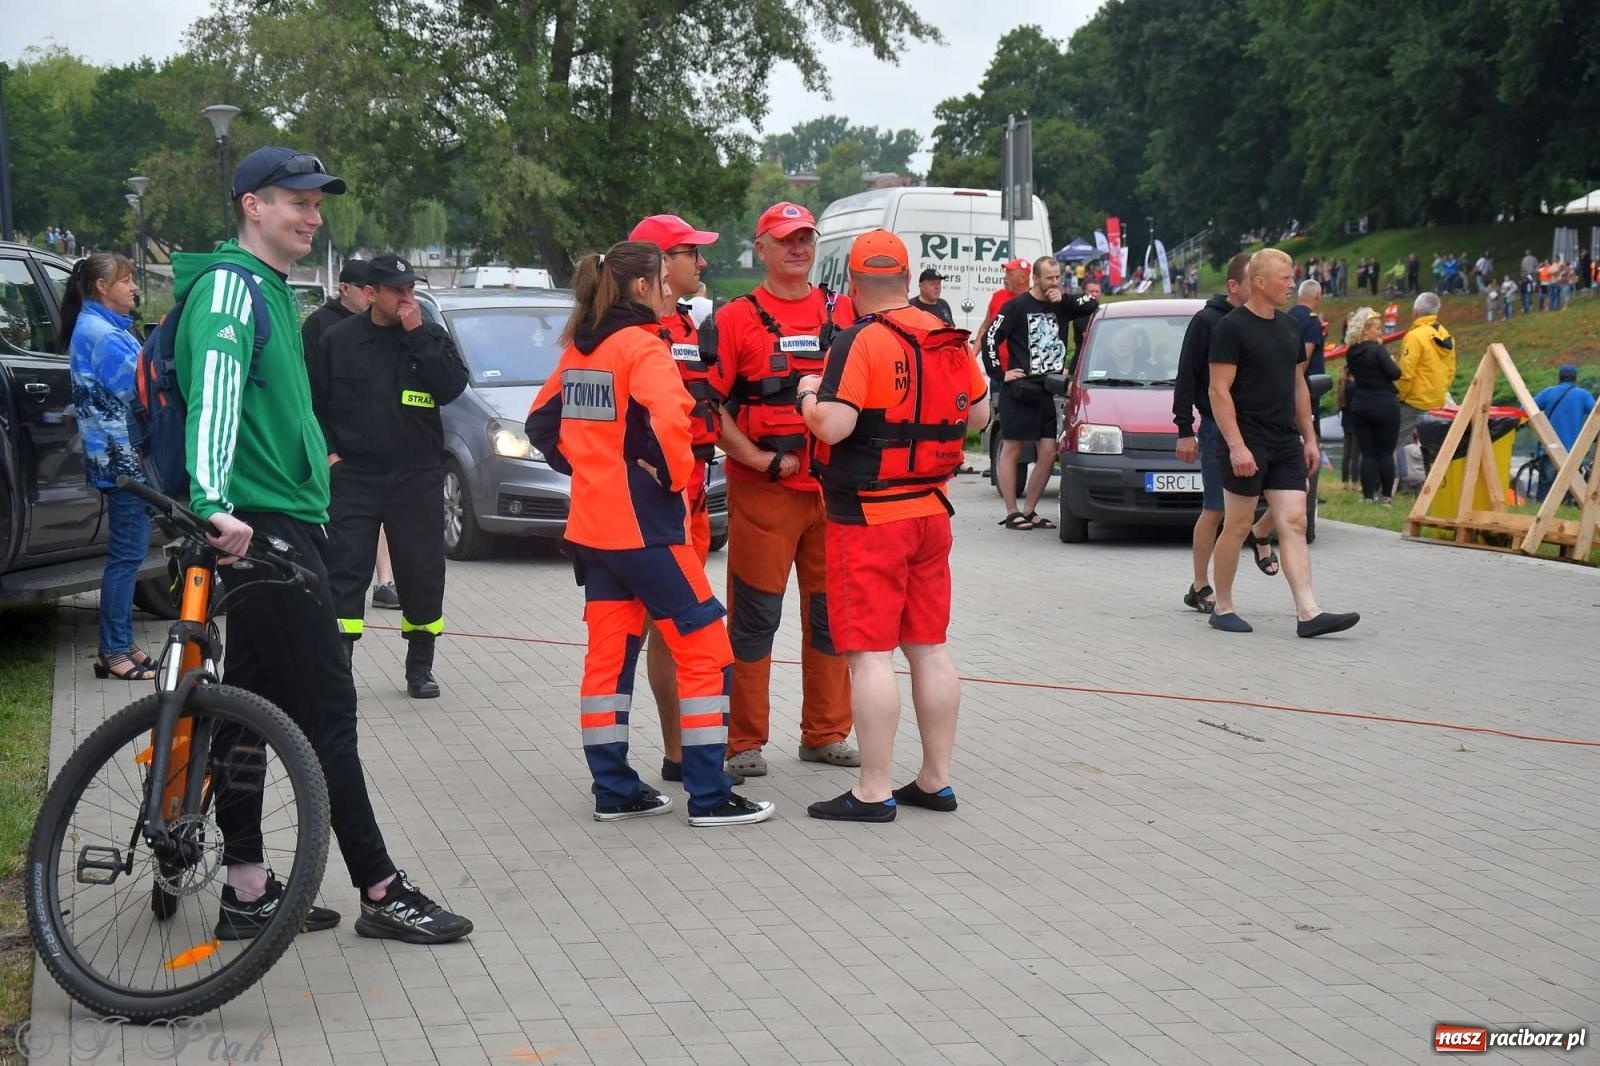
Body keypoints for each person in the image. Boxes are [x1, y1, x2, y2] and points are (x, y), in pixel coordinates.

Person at [174, 146, 472, 943]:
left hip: (279, 521)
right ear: (252, 206)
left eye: (316, 204)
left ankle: (247, 886)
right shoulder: (234, 288)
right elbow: (214, 395)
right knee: (329, 709)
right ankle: (381, 888)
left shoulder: (268, 287)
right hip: (260, 527)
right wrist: (213, 504)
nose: (312, 216)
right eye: (295, 202)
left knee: (251, 707)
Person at [525, 240, 774, 827]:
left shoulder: (581, 347)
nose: (670, 288)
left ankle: (614, 789)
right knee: (708, 652)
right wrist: (671, 477)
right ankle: (710, 796)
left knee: (608, 659)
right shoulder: (644, 346)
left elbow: (540, 422)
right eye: (664, 279)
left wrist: (589, 467)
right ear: (642, 288)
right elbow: (672, 425)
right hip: (646, 528)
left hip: (593, 529)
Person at [795, 229, 990, 823]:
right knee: (929, 650)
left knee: (870, 656)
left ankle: (872, 790)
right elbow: (980, 415)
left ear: (853, 285)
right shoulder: (947, 336)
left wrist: (807, 395)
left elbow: (834, 426)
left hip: (870, 518)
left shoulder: (858, 340)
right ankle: (935, 780)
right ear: (907, 280)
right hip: (932, 510)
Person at [707, 202, 858, 778]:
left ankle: (825, 733)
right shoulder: (734, 319)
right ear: (761, 247)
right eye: (786, 239)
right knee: (754, 618)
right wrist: (757, 459)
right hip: (764, 494)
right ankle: (743, 741)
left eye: (805, 239)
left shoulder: (844, 312)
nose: (797, 248)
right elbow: (707, 405)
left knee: (830, 618)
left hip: (831, 495)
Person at [310, 253, 468, 699]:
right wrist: (330, 455)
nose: (406, 297)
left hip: (416, 475)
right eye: (397, 290)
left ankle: (420, 667)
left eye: (410, 289)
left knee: (421, 571)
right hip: (355, 476)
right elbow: (314, 404)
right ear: (370, 293)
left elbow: (452, 387)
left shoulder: (429, 335)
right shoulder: (338, 339)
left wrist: (417, 335)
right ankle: (339, 669)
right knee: (345, 570)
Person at [626, 212, 742, 787]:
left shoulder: (691, 327)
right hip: (652, 505)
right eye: (690, 252)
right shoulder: (629, 334)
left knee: (676, 628)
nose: (702, 262)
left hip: (692, 495)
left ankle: (681, 755)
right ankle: (682, 756)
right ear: (658, 263)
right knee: (671, 627)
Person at [1206, 248, 1359, 638]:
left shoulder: (1291, 326)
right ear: (1259, 282)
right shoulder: (1230, 329)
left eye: (1292, 277)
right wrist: (1236, 445)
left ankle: (1308, 613)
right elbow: (1218, 391)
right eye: (1285, 278)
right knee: (1237, 524)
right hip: (1246, 441)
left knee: (1293, 520)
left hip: (1285, 440)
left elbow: (1299, 387)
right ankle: (1222, 606)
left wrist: (1310, 438)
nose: (1292, 284)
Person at [64, 252, 154, 681]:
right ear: (102, 287)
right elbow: (142, 390)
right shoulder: (101, 334)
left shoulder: (103, 327)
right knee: (126, 556)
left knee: (129, 554)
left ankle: (124, 643)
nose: (134, 287)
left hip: (120, 458)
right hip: (123, 461)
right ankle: (114, 651)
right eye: (126, 280)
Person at [1173, 252, 1278, 613]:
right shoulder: (1208, 321)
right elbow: (1187, 376)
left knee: (1289, 495)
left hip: (1260, 428)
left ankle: (1261, 534)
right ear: (1234, 286)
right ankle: (1200, 584)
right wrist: (1184, 428)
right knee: (1215, 508)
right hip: (1217, 426)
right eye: (1253, 281)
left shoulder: (1265, 321)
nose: (1260, 288)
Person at [299, 259, 401, 611]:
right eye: (364, 289)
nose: (370, 297)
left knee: (379, 519)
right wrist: (329, 453)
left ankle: (385, 580)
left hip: (380, 456)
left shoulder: (387, 327)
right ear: (345, 288)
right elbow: (311, 393)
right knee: (343, 532)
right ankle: (329, 588)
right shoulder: (320, 326)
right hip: (340, 453)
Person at [983, 256, 1097, 530]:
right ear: (1035, 278)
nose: (1054, 282)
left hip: (1047, 390)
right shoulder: (1016, 306)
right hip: (1019, 390)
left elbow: (1092, 303)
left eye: (1057, 277)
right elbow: (990, 337)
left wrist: (1065, 299)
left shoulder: (1062, 304)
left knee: (1048, 452)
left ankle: (1030, 510)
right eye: (1049, 278)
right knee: (1012, 448)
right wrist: (999, 373)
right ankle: (1012, 511)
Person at [1340, 307, 1402, 504]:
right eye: (1377, 328)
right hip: (1384, 402)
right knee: (1385, 451)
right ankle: (1386, 496)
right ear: (1366, 330)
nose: (1380, 332)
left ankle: (1367, 496)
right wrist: (1391, 360)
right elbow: (1395, 373)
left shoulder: (1352, 352)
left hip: (1361, 402)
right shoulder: (1378, 350)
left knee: (1367, 452)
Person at [1395, 292, 1456, 473]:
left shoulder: (1414, 336)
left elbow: (1406, 373)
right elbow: (1451, 370)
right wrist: (1441, 391)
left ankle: (1383, 484)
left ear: (1415, 312)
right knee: (1432, 447)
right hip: (1437, 401)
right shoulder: (1445, 335)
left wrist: (1400, 395)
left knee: (1390, 441)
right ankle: (1434, 482)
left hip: (1414, 400)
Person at [1532, 365, 1596, 502]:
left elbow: (1526, 408)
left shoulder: (1548, 392)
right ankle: (1566, 507)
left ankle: (1541, 506)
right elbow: (1596, 412)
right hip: (1573, 448)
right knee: (1570, 483)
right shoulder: (1583, 395)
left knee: (1547, 482)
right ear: (1575, 378)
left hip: (1550, 446)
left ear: (1559, 377)